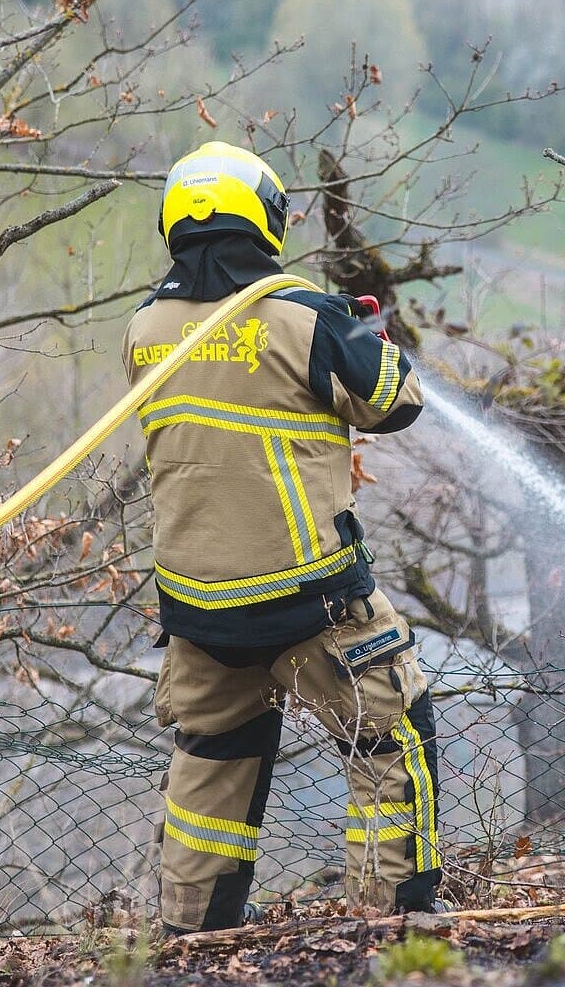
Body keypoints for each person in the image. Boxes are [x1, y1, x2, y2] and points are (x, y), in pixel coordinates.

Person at [124, 141, 444, 933]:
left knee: (212, 755)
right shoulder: (303, 315)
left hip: (197, 607)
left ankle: (194, 930)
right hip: (310, 602)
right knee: (391, 732)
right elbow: (394, 401)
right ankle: (390, 922)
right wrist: (364, 333)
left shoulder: (145, 327)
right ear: (264, 218)